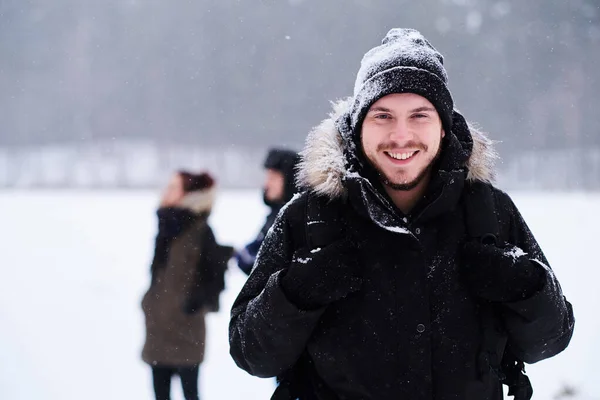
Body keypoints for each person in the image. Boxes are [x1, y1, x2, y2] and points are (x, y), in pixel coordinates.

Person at [229, 28, 574, 399]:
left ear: (444, 128)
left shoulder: (490, 212)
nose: (401, 136)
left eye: (420, 115)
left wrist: (525, 288)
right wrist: (296, 293)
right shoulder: (309, 216)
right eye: (383, 116)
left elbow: (550, 341)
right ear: (357, 126)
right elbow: (252, 355)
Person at [142, 170, 232, 400]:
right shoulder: (166, 227)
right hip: (159, 326)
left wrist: (194, 303)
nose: (167, 191)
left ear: (188, 195)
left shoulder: (200, 230)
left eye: (174, 187)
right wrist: (148, 302)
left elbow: (216, 277)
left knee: (191, 395)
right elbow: (157, 275)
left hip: (186, 330)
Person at [234, 148, 300, 275]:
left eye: (273, 178)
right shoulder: (275, 214)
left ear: (290, 179)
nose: (267, 184)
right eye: (267, 177)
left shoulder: (293, 218)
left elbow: (269, 266)